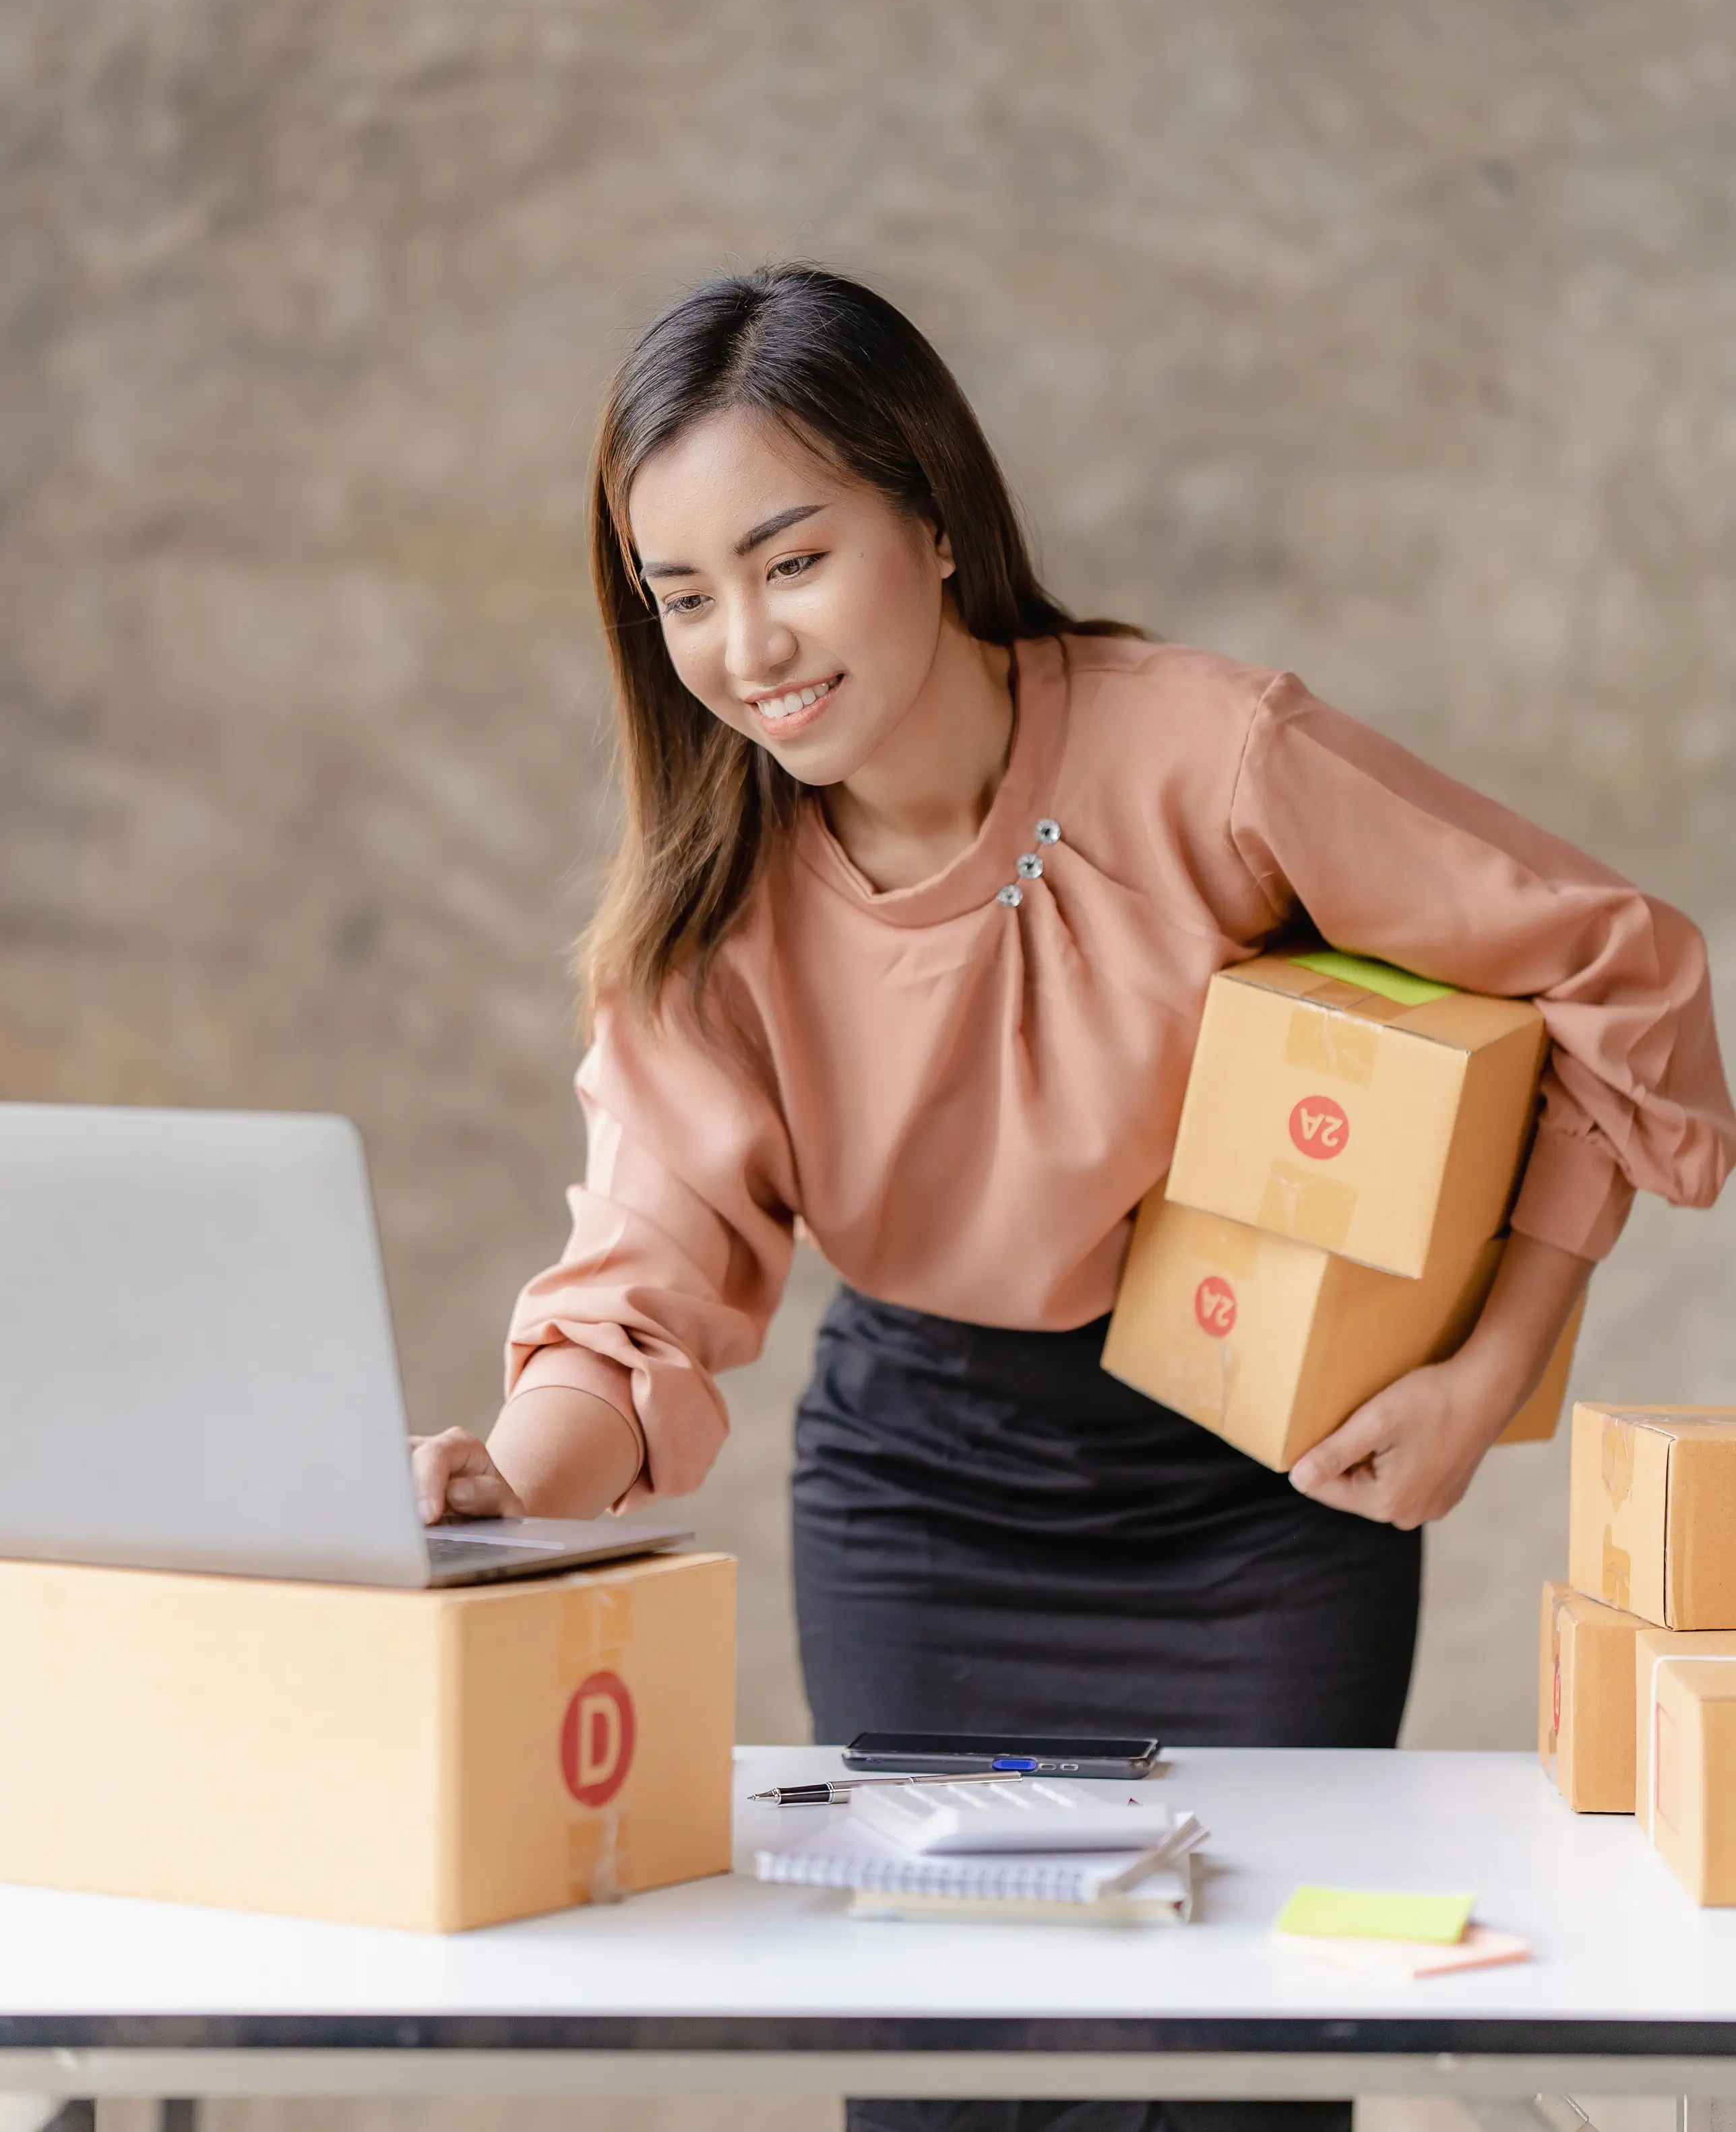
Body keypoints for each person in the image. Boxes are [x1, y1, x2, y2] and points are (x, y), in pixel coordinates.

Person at [414, 266, 1735, 2132]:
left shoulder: (1211, 752)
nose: (745, 647)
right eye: (682, 596)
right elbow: (636, 1295)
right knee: (944, 2076)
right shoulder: (703, 912)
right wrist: (498, 1490)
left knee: (1234, 2082)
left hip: (1259, 1503)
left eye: (790, 561)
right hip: (923, 1498)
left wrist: (1487, 1367)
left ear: (935, 519)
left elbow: (1623, 973)